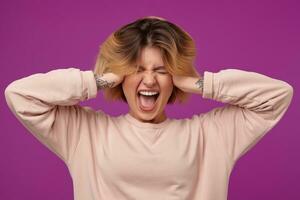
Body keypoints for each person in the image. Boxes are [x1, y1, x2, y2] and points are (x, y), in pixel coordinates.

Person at [4, 16, 294, 200]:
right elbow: (20, 95)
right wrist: (101, 79)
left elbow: (277, 96)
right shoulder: (85, 133)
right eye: (136, 68)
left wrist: (197, 83)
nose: (150, 79)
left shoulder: (211, 135)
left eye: (162, 70)